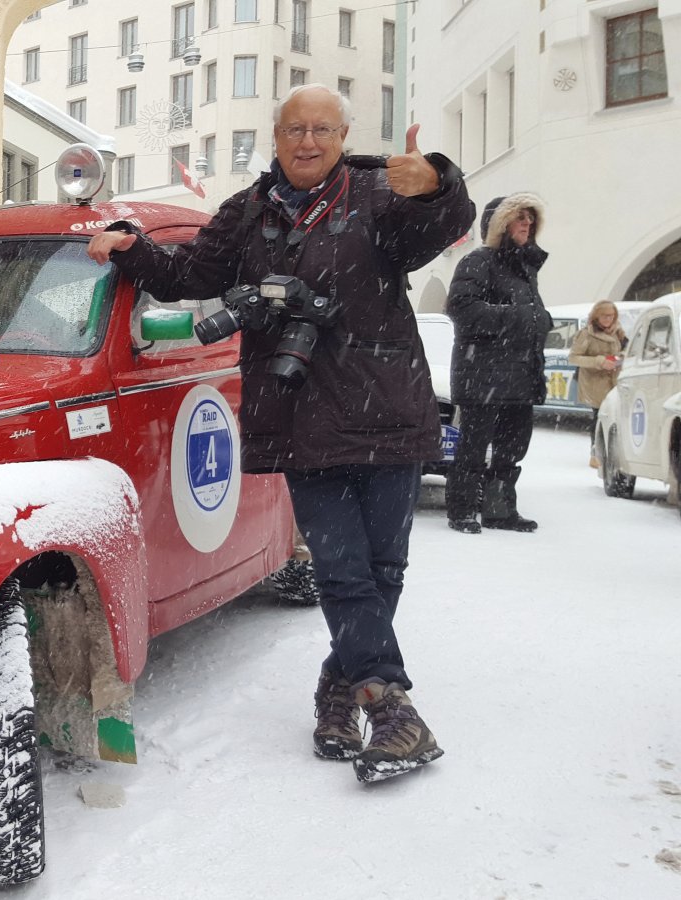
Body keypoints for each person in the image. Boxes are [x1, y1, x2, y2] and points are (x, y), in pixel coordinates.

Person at [86, 84, 473, 783]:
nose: (308, 141)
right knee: (343, 570)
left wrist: (438, 185)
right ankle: (389, 708)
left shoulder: (378, 194)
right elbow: (188, 273)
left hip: (387, 407)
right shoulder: (246, 212)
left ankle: (338, 690)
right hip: (301, 415)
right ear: (275, 136)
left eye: (322, 128)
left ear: (342, 136)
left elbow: (435, 230)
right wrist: (130, 250)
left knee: (383, 570)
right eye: (294, 128)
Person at [444, 194, 551, 534]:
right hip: (483, 376)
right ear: (500, 223)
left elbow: (528, 317)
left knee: (513, 448)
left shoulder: (525, 268)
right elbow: (462, 309)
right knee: (473, 449)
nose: (527, 223)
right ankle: (462, 511)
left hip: (520, 375)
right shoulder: (477, 261)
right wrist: (522, 317)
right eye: (520, 217)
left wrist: (541, 320)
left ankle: (499, 510)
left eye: (531, 218)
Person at [568, 299, 626, 466]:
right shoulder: (586, 334)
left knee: (616, 417)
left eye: (611, 316)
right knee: (600, 416)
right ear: (596, 317)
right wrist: (599, 361)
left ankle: (614, 453)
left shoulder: (619, 332)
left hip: (615, 380)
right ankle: (596, 453)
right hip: (594, 382)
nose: (608, 319)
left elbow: (627, 349)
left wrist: (619, 358)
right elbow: (574, 357)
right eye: (604, 316)